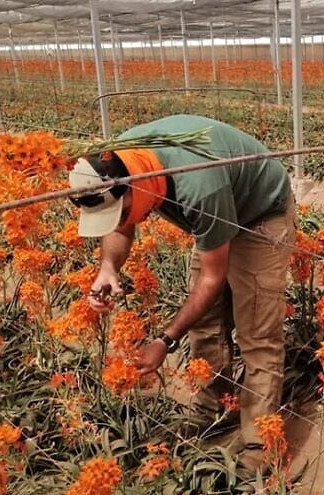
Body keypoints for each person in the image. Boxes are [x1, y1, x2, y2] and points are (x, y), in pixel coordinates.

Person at [68, 114, 295, 471]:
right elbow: (121, 222)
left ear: (136, 188)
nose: (119, 220)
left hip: (259, 215)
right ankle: (212, 407)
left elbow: (211, 278)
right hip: (215, 210)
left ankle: (259, 444)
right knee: (205, 324)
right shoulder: (120, 161)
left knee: (257, 334)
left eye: (121, 211)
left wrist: (165, 339)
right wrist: (108, 268)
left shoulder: (200, 187)